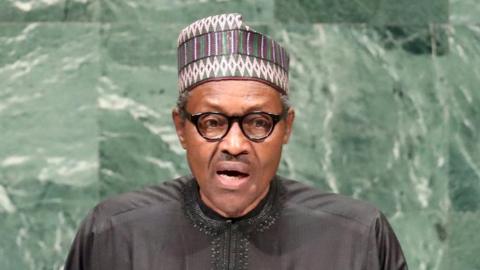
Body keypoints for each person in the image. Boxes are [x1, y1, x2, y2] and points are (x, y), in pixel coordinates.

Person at [65, 13, 408, 270]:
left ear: (286, 128)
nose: (234, 145)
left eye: (258, 122)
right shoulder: (113, 231)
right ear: (181, 128)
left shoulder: (358, 236)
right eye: (212, 122)